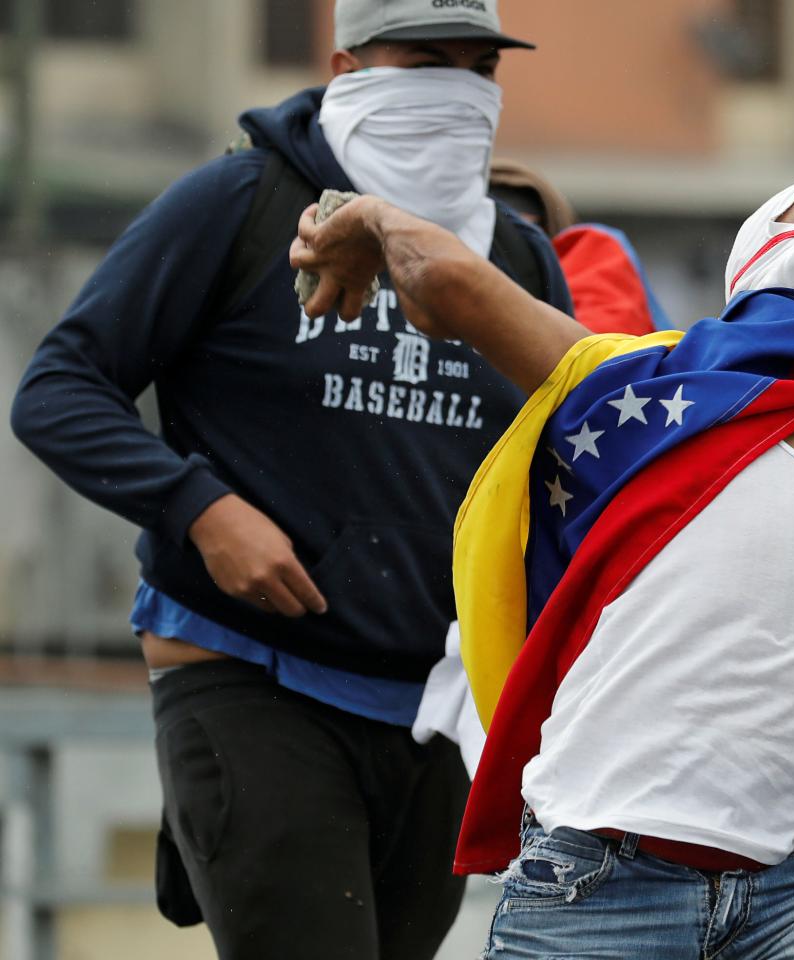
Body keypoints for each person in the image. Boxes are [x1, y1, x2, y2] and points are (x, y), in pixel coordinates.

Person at [291, 170, 794, 958]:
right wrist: (369, 222)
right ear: (758, 252)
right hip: (596, 886)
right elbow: (455, 284)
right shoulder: (632, 392)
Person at [9, 1, 570, 957]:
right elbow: (58, 388)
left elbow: (563, 458)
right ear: (349, 67)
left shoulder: (513, 260)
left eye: (482, 67)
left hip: (437, 702)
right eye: (428, 59)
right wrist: (201, 509)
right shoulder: (241, 202)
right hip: (250, 676)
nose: (461, 92)